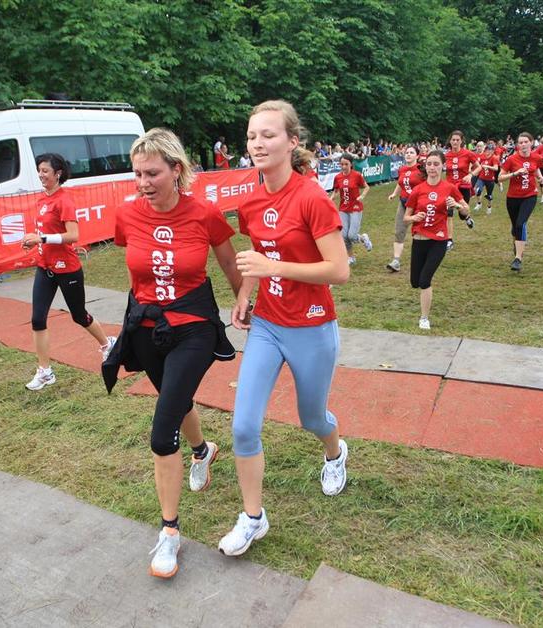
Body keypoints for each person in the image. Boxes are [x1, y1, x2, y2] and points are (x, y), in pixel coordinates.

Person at [101, 128, 241, 578]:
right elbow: (136, 264)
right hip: (146, 326)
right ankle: (203, 450)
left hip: (194, 326)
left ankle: (169, 533)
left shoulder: (204, 212)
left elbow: (227, 260)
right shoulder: (127, 214)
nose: (143, 182)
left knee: (163, 431)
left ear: (176, 170)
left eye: (152, 173)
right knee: (175, 401)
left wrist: (244, 302)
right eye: (137, 173)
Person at [219, 100, 350, 559]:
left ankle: (334, 453)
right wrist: (245, 294)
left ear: (293, 142)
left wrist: (273, 266)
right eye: (252, 136)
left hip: (312, 327)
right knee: (243, 426)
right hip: (268, 325)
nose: (257, 143)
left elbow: (339, 270)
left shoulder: (311, 197)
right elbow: (259, 255)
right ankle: (253, 517)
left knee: (312, 418)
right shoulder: (251, 202)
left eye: (268, 135)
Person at [20, 153, 116, 391]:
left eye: (45, 171)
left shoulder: (64, 200)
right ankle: (45, 371)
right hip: (45, 267)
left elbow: (73, 236)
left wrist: (41, 238)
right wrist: (33, 241)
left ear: (58, 173)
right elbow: (43, 232)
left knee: (79, 315)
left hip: (67, 269)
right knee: (37, 319)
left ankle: (107, 343)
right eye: (39, 170)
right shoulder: (41, 200)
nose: (41, 175)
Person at [403, 150, 464, 330]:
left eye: (436, 164)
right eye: (429, 164)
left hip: (438, 240)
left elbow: (466, 210)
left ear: (443, 166)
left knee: (424, 280)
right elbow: (406, 217)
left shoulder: (449, 188)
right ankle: (424, 298)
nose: (432, 167)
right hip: (419, 239)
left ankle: (424, 318)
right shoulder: (418, 190)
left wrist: (457, 205)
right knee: (415, 281)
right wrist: (414, 218)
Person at [499, 133, 543, 272]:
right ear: (517, 145)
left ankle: (518, 258)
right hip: (513, 197)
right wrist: (515, 173)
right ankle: (517, 242)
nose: (523, 145)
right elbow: (500, 177)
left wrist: (540, 177)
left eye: (525, 142)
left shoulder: (537, 157)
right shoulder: (511, 159)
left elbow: (535, 168)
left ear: (531, 143)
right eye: (520, 142)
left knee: (521, 223)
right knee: (515, 227)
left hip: (530, 195)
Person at [386, 145, 424, 272]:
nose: (408, 154)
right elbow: (400, 183)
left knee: (420, 232)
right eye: (407, 152)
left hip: (419, 205)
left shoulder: (421, 169)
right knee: (399, 231)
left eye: (411, 152)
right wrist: (394, 194)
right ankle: (396, 261)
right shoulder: (402, 169)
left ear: (417, 155)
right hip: (404, 203)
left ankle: (425, 257)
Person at [331, 154, 371, 265]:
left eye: (346, 164)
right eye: (342, 164)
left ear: (351, 164)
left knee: (352, 236)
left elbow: (367, 187)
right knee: (344, 236)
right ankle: (351, 257)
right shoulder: (337, 177)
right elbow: (336, 190)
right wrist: (330, 198)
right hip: (343, 209)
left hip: (355, 208)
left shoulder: (357, 175)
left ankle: (363, 238)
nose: (343, 167)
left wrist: (362, 196)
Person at [443, 131, 478, 248]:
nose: (455, 142)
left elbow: (479, 167)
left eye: (457, 140)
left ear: (462, 141)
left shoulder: (468, 154)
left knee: (462, 213)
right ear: (450, 141)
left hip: (463, 186)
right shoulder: (446, 155)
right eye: (453, 140)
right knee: (448, 213)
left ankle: (467, 218)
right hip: (449, 188)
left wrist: (470, 175)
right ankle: (449, 240)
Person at [473, 143, 499, 214]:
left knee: (489, 195)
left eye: (490, 150)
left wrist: (487, 166)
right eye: (487, 149)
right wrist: (474, 173)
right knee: (478, 191)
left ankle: (489, 207)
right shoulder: (482, 157)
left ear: (492, 151)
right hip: (481, 178)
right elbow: (479, 166)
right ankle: (479, 203)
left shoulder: (494, 158)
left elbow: (496, 168)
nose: (488, 151)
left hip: (490, 179)